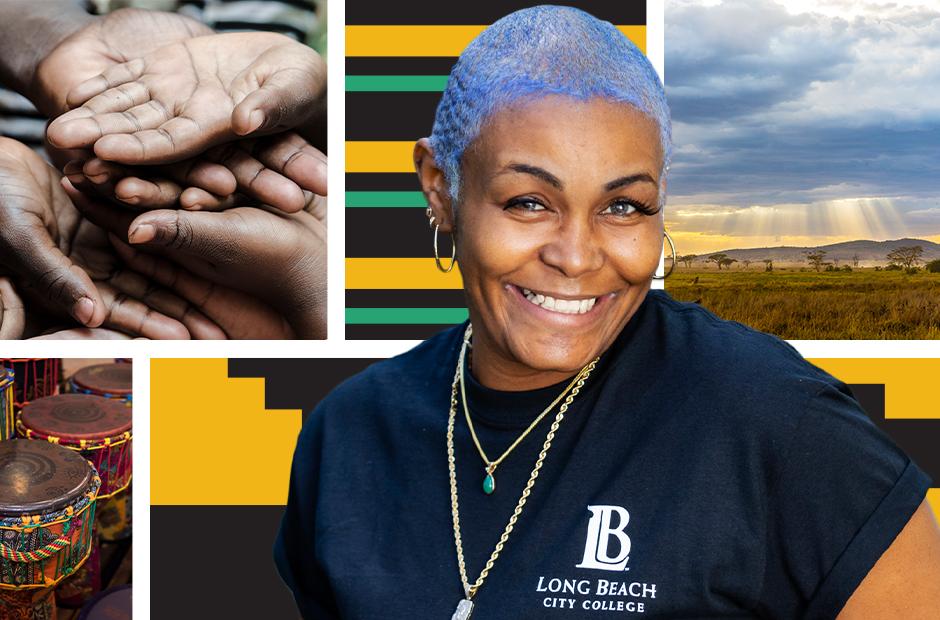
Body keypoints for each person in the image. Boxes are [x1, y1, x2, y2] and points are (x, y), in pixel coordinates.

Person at [274, 6, 940, 619]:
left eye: (624, 206)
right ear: (441, 190)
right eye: (528, 201)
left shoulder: (776, 422)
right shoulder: (348, 436)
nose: (576, 256)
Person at [0, 1, 327, 338]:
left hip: (231, 276)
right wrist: (51, 39)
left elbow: (302, 147)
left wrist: (314, 108)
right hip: (73, 242)